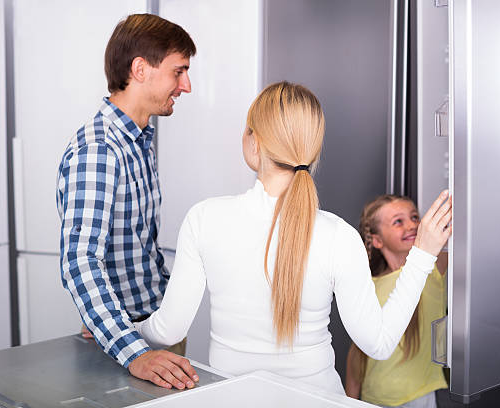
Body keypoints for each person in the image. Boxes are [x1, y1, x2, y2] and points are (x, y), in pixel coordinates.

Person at [135, 81, 452, 394]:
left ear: (255, 143)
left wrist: (122, 331)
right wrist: (422, 254)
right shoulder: (339, 235)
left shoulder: (204, 218)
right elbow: (379, 345)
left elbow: (167, 330)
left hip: (235, 399)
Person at [56, 14, 199, 390]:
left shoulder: (137, 141)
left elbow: (137, 248)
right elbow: (80, 260)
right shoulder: (100, 150)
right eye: (178, 71)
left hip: (151, 329)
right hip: (130, 343)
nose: (186, 85)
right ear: (140, 69)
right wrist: (134, 350)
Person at [344, 195, 449, 407]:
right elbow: (357, 353)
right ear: (377, 240)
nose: (411, 225)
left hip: (419, 395)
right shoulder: (369, 286)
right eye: (398, 222)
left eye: (414, 217)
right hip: (375, 397)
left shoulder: (433, 269)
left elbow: (465, 243)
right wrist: (349, 401)